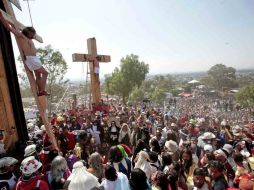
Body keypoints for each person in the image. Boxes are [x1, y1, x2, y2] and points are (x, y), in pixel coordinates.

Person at [0, 11, 49, 96]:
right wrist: (1, 17)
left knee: (38, 76)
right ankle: (42, 90)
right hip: (32, 59)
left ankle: (41, 91)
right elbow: (9, 28)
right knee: (45, 73)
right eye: (32, 33)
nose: (34, 34)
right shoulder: (21, 36)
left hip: (34, 59)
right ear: (29, 32)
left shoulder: (29, 39)